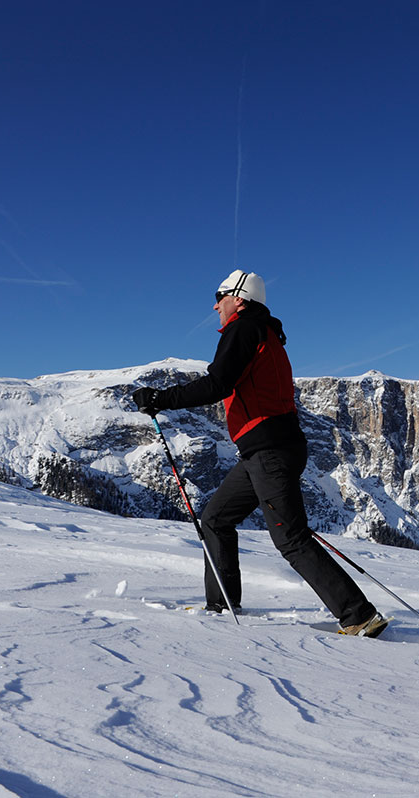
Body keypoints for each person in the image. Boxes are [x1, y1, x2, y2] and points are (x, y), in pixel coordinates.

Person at [133, 269, 387, 637]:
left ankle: (358, 615)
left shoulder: (244, 329)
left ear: (239, 297)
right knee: (216, 519)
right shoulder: (263, 333)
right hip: (264, 452)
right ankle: (221, 603)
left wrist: (161, 399)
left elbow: (218, 383)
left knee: (292, 538)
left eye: (219, 296)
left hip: (269, 452)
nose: (215, 304)